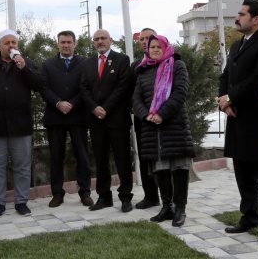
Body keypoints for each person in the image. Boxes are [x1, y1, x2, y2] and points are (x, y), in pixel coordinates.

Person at [218, 0, 258, 247]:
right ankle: (250, 216)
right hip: (236, 119)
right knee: (242, 174)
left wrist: (232, 97)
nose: (237, 18)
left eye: (241, 14)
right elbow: (225, 76)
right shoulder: (236, 45)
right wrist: (223, 100)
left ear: (256, 19)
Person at [0, 29, 43, 219]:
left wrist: (24, 68)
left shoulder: (25, 62)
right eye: (7, 43)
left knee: (22, 166)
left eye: (14, 42)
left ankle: (21, 202)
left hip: (21, 125)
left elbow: (38, 85)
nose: (11, 46)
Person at [132, 34, 194, 227]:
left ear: (166, 47)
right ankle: (167, 206)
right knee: (161, 169)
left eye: (159, 46)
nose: (156, 49)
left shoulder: (177, 65)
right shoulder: (143, 70)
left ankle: (180, 208)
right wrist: (146, 115)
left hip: (173, 125)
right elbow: (136, 99)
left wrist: (162, 114)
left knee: (178, 168)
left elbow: (180, 91)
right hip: (152, 129)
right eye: (152, 47)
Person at [81, 28, 135, 212]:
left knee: (122, 159)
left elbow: (123, 87)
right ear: (93, 42)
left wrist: (106, 108)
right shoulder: (87, 63)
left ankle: (126, 197)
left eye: (103, 38)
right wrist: (95, 108)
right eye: (96, 39)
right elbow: (84, 89)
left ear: (110, 40)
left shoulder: (122, 60)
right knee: (100, 160)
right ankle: (104, 197)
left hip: (117, 119)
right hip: (96, 120)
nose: (100, 41)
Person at [40, 30, 93, 208]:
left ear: (74, 44)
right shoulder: (47, 64)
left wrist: (72, 103)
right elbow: (44, 88)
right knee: (56, 156)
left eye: (69, 42)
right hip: (55, 116)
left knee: (82, 156)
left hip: (78, 115)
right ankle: (57, 193)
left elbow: (86, 87)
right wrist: (58, 103)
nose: (66, 45)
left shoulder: (84, 63)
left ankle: (85, 191)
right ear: (58, 44)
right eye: (62, 42)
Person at [131, 27, 160, 210]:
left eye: (148, 38)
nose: (144, 41)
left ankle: (170, 197)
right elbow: (131, 94)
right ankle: (151, 196)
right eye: (141, 39)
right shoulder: (135, 66)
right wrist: (141, 113)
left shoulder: (166, 62)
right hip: (142, 120)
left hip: (162, 119)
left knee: (163, 158)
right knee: (145, 157)